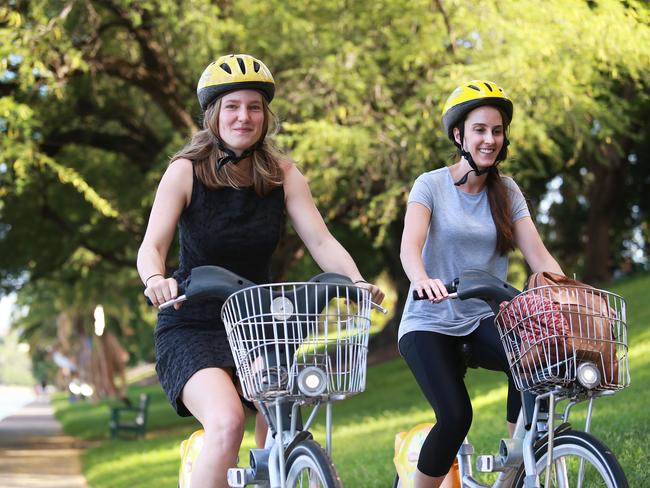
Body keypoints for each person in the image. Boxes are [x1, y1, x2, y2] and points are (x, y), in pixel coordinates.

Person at [136, 54, 384, 488]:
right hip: (193, 319)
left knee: (282, 424)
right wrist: (156, 280)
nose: (243, 117)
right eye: (232, 106)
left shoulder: (283, 174)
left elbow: (321, 241)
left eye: (253, 107)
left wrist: (357, 281)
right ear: (214, 115)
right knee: (228, 421)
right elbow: (151, 246)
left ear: (265, 116)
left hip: (259, 321)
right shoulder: (185, 171)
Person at [398, 80, 563, 488]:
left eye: (497, 130)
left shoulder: (506, 191)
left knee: (537, 362)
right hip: (429, 320)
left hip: (482, 317)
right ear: (459, 135)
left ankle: (517, 463)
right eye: (480, 130)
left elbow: (539, 257)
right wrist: (421, 279)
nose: (489, 139)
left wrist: (567, 292)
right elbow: (410, 246)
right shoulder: (431, 185)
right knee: (455, 416)